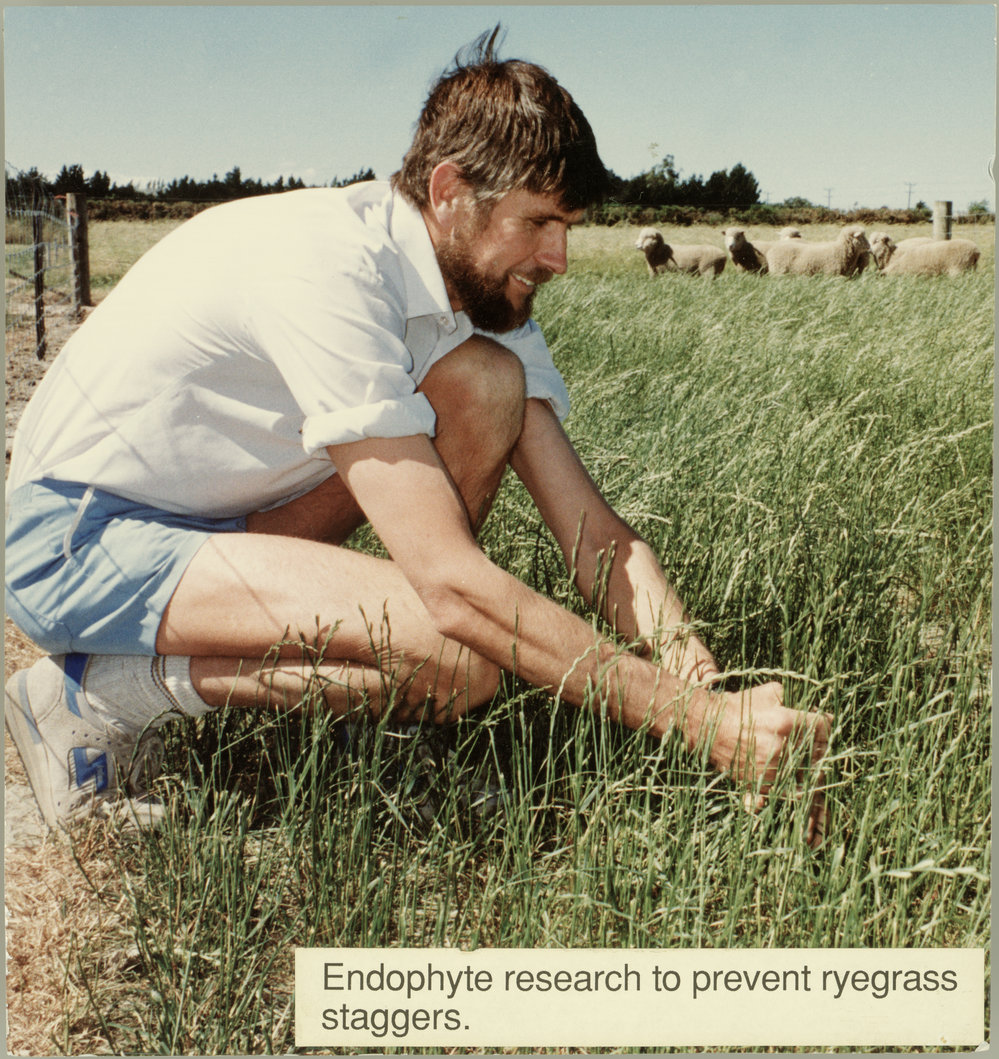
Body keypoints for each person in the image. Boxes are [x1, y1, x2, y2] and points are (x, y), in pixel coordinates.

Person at [4, 28, 830, 844]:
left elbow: (599, 539)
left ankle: (387, 705)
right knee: (458, 648)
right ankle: (91, 694)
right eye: (539, 222)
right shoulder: (327, 265)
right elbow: (453, 586)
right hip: (76, 537)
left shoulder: (478, 295)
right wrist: (692, 721)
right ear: (447, 191)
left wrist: (721, 695)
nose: (561, 256)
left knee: (485, 386)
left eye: (568, 226)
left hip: (218, 522)